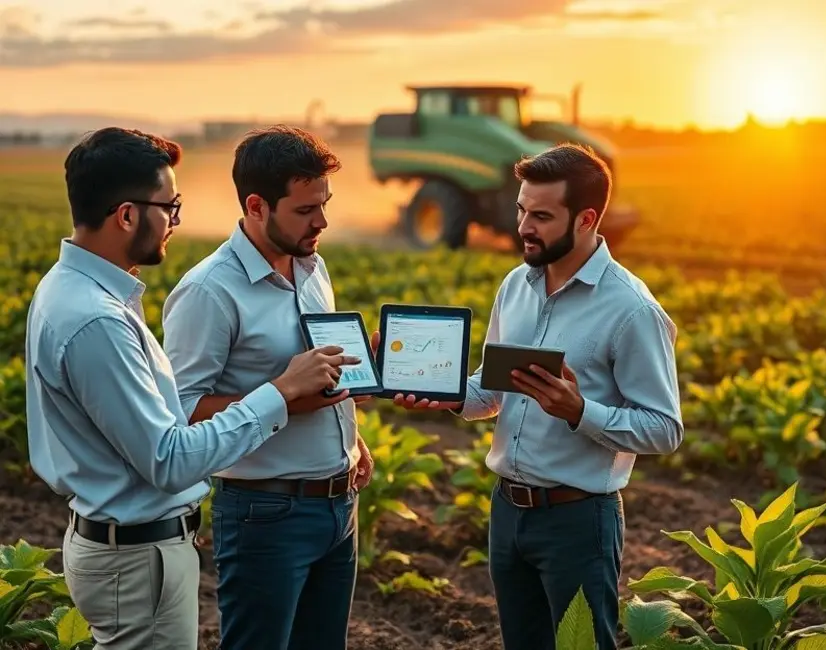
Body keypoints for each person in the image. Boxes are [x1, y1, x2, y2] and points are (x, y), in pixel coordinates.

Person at [24, 127, 348, 650]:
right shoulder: (97, 319)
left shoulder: (78, 294)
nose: (176, 221)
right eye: (169, 206)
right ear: (128, 215)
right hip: (137, 556)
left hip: (136, 550)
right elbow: (170, 457)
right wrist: (280, 391)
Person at [391, 143, 684, 650]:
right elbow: (491, 391)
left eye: (542, 216)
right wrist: (445, 394)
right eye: (522, 209)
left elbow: (664, 428)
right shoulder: (515, 286)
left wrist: (579, 410)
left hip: (578, 520)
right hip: (507, 512)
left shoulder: (632, 310)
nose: (524, 225)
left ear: (587, 219)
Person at [161, 124, 375, 650]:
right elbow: (181, 411)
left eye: (324, 204)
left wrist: (350, 439)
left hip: (338, 504)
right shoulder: (209, 291)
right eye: (305, 210)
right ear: (257, 206)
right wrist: (284, 397)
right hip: (264, 513)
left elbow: (312, 376)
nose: (322, 221)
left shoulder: (312, 266)